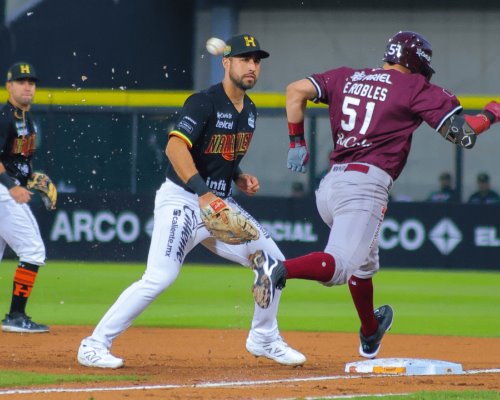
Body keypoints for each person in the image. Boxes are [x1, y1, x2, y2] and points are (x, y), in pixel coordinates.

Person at [250, 31, 500, 359]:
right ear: (418, 62)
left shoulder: (347, 77)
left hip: (329, 187)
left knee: (364, 265)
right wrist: (492, 113)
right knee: (339, 267)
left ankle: (370, 333)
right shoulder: (414, 87)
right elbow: (463, 135)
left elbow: (295, 90)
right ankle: (277, 268)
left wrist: (297, 141)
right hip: (364, 187)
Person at [77, 34, 306, 369]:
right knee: (160, 277)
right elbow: (175, 148)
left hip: (218, 205)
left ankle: (264, 337)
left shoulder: (251, 110)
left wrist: (238, 175)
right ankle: (94, 344)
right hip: (184, 201)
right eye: (245, 59)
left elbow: (215, 152)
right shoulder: (203, 102)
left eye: (256, 60)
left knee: (273, 263)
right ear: (226, 62)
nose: (252, 66)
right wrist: (204, 192)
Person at [0, 62, 49, 333]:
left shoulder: (26, 118)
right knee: (32, 250)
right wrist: (11, 186)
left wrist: (34, 181)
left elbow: (16, 160)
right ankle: (16, 316)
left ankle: (15, 316)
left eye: (31, 81)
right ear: (9, 86)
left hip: (7, 188)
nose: (28, 85)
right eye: (21, 81)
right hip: (2, 191)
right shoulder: (4, 117)